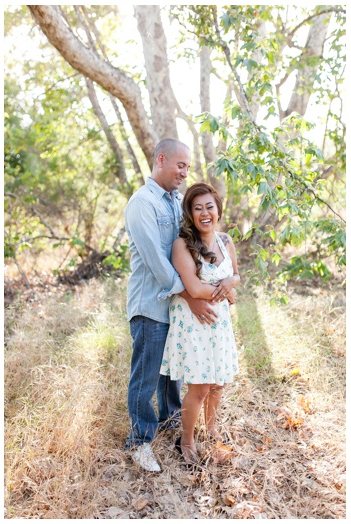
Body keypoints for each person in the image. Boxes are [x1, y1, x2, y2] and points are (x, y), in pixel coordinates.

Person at [123, 139, 224, 472]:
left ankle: (171, 424)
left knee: (174, 373)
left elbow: (192, 244)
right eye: (180, 165)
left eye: (188, 166)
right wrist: (192, 296)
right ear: (161, 159)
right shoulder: (142, 203)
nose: (185, 172)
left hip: (178, 309)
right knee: (146, 377)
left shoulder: (179, 201)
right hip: (151, 304)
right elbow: (156, 261)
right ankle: (139, 442)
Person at [160, 182, 240, 468]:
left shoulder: (226, 241)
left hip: (219, 323)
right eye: (197, 208)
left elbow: (236, 276)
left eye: (209, 206)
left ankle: (213, 429)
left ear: (218, 208)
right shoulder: (182, 245)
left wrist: (230, 283)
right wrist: (225, 290)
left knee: (218, 384)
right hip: (195, 323)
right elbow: (193, 289)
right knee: (200, 387)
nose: (205, 213)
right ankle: (187, 439)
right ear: (190, 214)